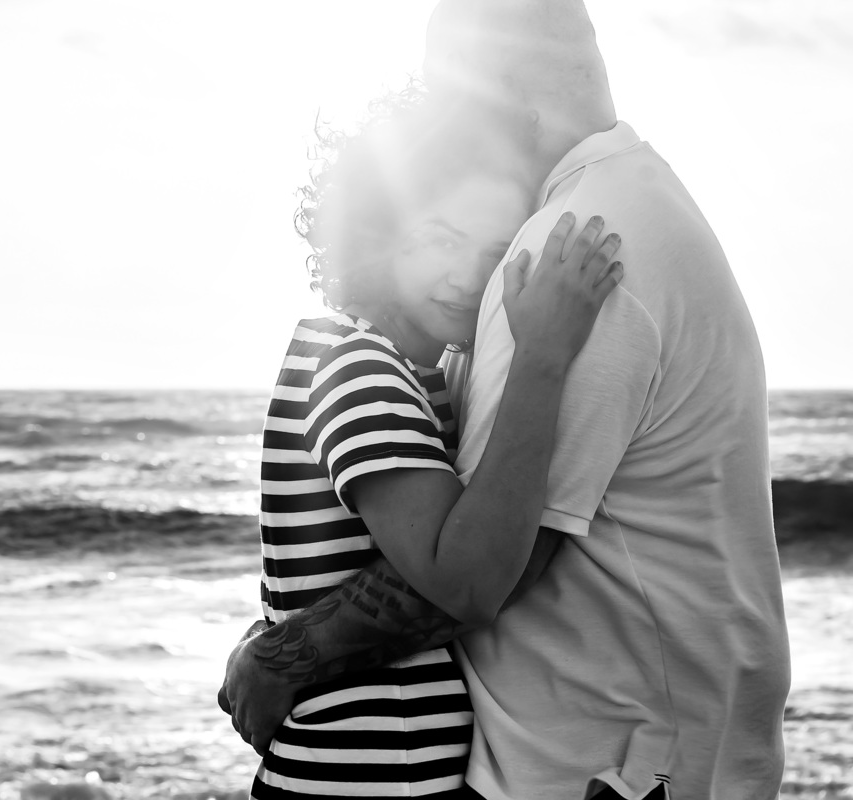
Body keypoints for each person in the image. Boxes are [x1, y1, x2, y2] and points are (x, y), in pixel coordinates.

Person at [219, 2, 791, 799]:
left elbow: (492, 565)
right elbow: (465, 547)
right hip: (413, 772)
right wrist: (286, 642)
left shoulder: (575, 245)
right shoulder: (610, 214)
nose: (441, 125)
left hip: (614, 771)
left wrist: (288, 653)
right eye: (441, 239)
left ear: (493, 93)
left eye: (445, 94)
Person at [227, 86, 624, 798]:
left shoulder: (395, 363)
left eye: (497, 252)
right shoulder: (359, 366)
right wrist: (541, 356)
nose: (470, 279)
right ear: (377, 233)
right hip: (368, 780)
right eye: (441, 238)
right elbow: (465, 580)